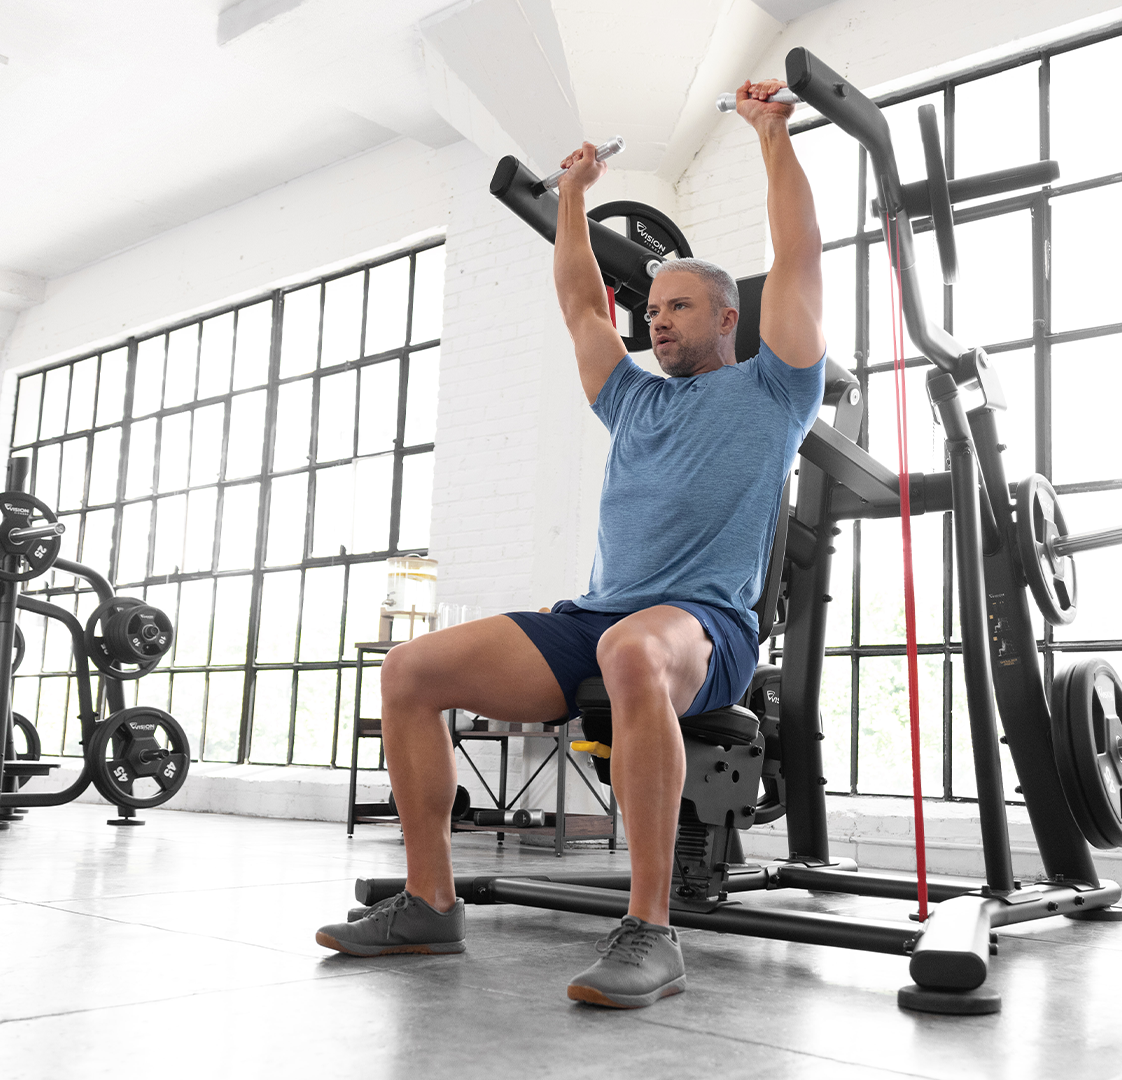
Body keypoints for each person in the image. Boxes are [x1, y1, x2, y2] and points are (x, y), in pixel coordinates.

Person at [316, 78, 826, 1009]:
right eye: (653, 309)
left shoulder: (774, 390)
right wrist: (575, 199)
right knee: (410, 670)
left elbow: (798, 255)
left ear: (727, 318)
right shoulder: (632, 399)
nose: (656, 320)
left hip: (704, 628)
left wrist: (770, 137)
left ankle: (651, 932)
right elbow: (581, 304)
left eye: (679, 307)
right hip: (596, 618)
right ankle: (429, 904)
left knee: (632, 648)